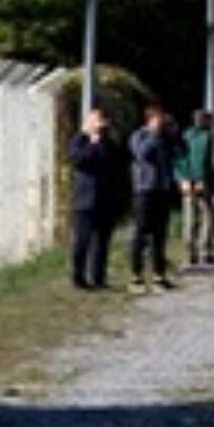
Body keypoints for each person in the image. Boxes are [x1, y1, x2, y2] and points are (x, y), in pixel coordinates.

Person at [66, 107, 128, 291]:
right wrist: (93, 144)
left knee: (102, 241)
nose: (100, 126)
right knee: (82, 240)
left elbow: (117, 163)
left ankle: (98, 277)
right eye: (97, 121)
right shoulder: (79, 140)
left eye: (102, 122)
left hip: (105, 198)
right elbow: (79, 161)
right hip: (85, 199)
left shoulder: (109, 142)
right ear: (88, 123)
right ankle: (78, 277)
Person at [128, 103, 184, 287]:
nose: (161, 123)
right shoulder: (140, 136)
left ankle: (160, 273)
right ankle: (136, 274)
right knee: (141, 232)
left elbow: (182, 152)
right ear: (150, 119)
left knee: (160, 234)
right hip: (144, 189)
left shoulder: (166, 137)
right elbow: (142, 154)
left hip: (163, 188)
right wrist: (153, 134)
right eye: (158, 119)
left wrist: (175, 133)